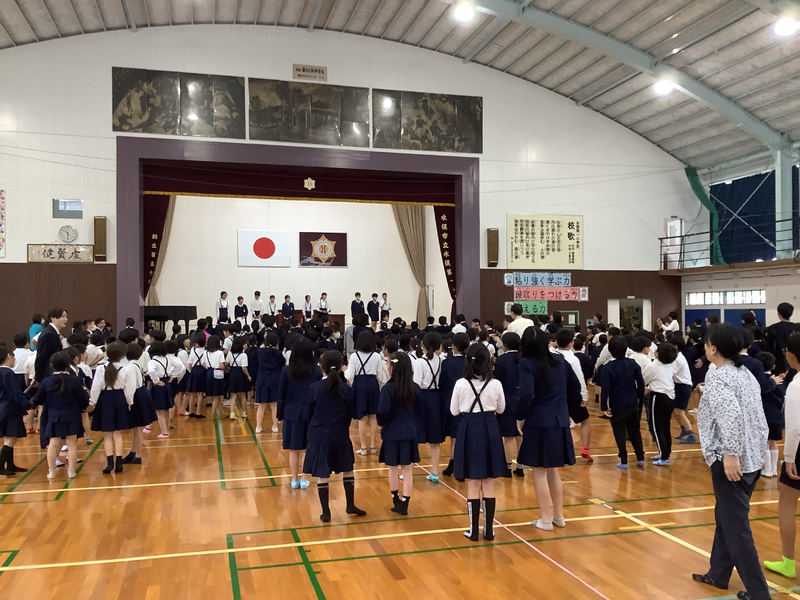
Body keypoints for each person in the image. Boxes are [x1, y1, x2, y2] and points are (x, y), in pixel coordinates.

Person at [692, 324, 770, 600]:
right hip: (752, 457)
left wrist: (731, 454)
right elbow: (757, 417)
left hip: (732, 461)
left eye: (706, 344)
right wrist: (755, 452)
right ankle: (718, 573)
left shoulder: (719, 378)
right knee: (726, 516)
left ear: (713, 348)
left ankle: (759, 593)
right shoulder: (745, 373)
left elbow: (731, 417)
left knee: (737, 528)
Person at [517, 327, 580, 531]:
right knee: (553, 469)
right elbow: (575, 387)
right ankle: (558, 516)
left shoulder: (527, 363)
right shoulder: (560, 361)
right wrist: (566, 409)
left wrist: (520, 416)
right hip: (559, 419)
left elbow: (527, 394)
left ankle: (545, 519)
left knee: (539, 471)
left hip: (539, 421)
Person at [451, 343, 506, 541]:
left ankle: (473, 530)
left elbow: (454, 411)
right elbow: (501, 409)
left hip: (469, 428)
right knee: (488, 481)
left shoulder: (461, 384)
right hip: (490, 428)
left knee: (473, 482)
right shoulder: (495, 384)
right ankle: (488, 530)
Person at [303, 351, 366, 523]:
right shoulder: (346, 389)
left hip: (319, 436)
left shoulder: (314, 388)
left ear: (321, 367)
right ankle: (350, 505)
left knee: (322, 473)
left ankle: (326, 512)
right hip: (340, 434)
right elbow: (353, 413)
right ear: (340, 368)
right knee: (348, 469)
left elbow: (308, 413)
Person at [764, 334, 800, 578]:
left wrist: (789, 458)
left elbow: (795, 428)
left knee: (787, 502)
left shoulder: (796, 385)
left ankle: (788, 562)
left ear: (792, 355)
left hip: (799, 450)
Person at [32, 351, 88, 479]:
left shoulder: (47, 381)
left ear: (51, 365)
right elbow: (82, 398)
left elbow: (38, 399)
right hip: (72, 415)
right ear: (68, 364)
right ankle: (71, 471)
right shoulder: (74, 380)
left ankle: (51, 471)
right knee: (71, 443)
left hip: (54, 415)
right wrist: (84, 407)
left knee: (53, 443)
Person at [377, 352, 421, 516]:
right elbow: (420, 411)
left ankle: (395, 498)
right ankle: (405, 501)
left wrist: (382, 423)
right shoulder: (415, 388)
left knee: (393, 467)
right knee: (408, 469)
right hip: (409, 433)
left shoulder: (388, 389)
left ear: (393, 367)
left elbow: (382, 412)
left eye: (388, 364)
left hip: (392, 433)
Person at [277, 337, 320, 490]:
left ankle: (294, 479)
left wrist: (279, 415)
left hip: (291, 413)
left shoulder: (286, 371)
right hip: (310, 413)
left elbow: (281, 395)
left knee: (293, 448)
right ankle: (304, 478)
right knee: (306, 448)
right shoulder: (316, 371)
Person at [600, 337, 646, 469]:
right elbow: (641, 382)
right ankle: (640, 457)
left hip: (617, 404)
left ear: (610, 350)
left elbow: (605, 389)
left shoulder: (607, 368)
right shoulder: (632, 363)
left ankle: (624, 460)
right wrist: (640, 397)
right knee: (635, 431)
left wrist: (604, 406)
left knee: (619, 432)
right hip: (632, 402)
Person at [90, 341, 134, 474]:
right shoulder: (126, 369)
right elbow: (129, 390)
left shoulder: (100, 368)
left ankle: (110, 463)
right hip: (119, 398)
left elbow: (96, 387)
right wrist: (129, 403)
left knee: (107, 434)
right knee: (118, 433)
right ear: (123, 356)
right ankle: (119, 462)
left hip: (105, 399)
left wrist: (93, 402)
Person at [345, 331, 389, 455]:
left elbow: (349, 375)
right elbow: (380, 375)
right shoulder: (376, 356)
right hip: (372, 383)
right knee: (373, 416)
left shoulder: (354, 356)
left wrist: (344, 371)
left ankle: (363, 447)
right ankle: (373, 446)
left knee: (362, 417)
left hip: (359, 384)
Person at [554, 328, 592, 462]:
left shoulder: (552, 356)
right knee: (585, 420)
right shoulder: (573, 359)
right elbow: (579, 379)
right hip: (572, 395)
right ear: (571, 343)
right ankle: (585, 449)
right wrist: (584, 396)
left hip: (556, 395)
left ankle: (558, 450)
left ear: (556, 342)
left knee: (559, 423)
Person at [412, 332, 445, 484]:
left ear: (422, 345)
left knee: (415, 435)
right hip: (436, 399)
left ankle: (409, 469)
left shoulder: (419, 362)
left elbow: (416, 384)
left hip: (422, 397)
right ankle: (435, 472)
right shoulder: (441, 360)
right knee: (435, 439)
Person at [643, 343, 678, 466]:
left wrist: (647, 387)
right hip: (670, 397)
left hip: (658, 397)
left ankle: (664, 456)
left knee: (657, 427)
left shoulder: (653, 366)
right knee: (665, 426)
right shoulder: (670, 365)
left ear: (658, 354)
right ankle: (665, 452)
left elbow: (643, 379)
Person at [494, 332, 523, 477]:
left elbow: (497, 381)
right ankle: (521, 467)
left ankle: (507, 467)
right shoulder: (524, 359)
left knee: (508, 437)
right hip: (523, 400)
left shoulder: (501, 360)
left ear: (505, 345)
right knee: (520, 435)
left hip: (507, 400)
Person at [440, 333, 470, 478]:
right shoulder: (470, 362)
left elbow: (442, 383)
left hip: (453, 403)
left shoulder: (447, 363)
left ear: (453, 346)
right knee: (468, 435)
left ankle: (454, 464)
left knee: (455, 437)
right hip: (470, 403)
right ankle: (465, 464)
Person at [122, 343, 156, 465]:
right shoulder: (136, 364)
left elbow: (131, 386)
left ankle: (138, 455)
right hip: (141, 393)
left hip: (136, 394)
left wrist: (129, 401)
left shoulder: (131, 367)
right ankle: (133, 452)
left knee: (138, 428)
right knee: (136, 428)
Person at [0, 345, 30, 476]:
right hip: (11, 408)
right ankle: (0, 464)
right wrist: (27, 404)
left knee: (8, 437)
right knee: (11, 438)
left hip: (2, 407)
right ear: (8, 356)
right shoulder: (8, 372)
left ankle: (10, 464)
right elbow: (15, 393)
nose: (14, 359)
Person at [755, 351, 784, 478]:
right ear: (773, 366)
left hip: (764, 415)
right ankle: (774, 469)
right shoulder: (780, 381)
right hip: (777, 415)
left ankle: (767, 469)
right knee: (773, 442)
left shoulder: (760, 382)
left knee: (765, 442)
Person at [256, 332, 285, 434]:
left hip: (262, 380)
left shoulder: (260, 352)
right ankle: (275, 426)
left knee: (261, 405)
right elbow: (283, 364)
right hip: (274, 380)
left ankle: (258, 426)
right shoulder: (278, 354)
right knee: (274, 405)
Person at [147, 341, 176, 438]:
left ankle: (164, 432)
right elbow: (179, 366)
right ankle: (148, 427)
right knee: (157, 407)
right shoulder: (168, 359)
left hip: (159, 384)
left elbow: (151, 371)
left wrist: (156, 381)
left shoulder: (152, 362)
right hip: (167, 382)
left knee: (159, 410)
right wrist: (173, 375)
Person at [35, 307, 69, 384]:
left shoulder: (53, 332)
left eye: (66, 317)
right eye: (63, 316)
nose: (66, 319)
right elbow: (41, 357)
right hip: (49, 374)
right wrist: (38, 378)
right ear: (53, 318)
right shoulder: (49, 334)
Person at [202, 335, 227, 419]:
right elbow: (222, 365)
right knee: (217, 395)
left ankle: (222, 412)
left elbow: (203, 364)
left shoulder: (205, 352)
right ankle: (213, 413)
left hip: (209, 372)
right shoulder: (220, 353)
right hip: (218, 372)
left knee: (216, 395)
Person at [766, 302, 795, 374]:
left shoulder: (773, 328)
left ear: (778, 314)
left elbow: (769, 347)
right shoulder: (795, 327)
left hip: (778, 361)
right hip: (794, 360)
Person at [227, 338, 252, 420]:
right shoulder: (243, 355)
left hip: (232, 373)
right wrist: (248, 376)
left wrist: (228, 369)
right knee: (243, 394)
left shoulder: (230, 353)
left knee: (233, 395)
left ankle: (232, 412)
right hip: (241, 374)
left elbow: (226, 363)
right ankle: (243, 412)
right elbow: (244, 367)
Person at [186, 333, 207, 419]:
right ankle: (198, 412)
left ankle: (191, 411)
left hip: (194, 370)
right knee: (200, 393)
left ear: (197, 344)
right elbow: (205, 364)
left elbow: (190, 365)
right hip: (202, 371)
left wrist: (193, 370)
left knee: (192, 393)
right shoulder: (205, 352)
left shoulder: (193, 351)